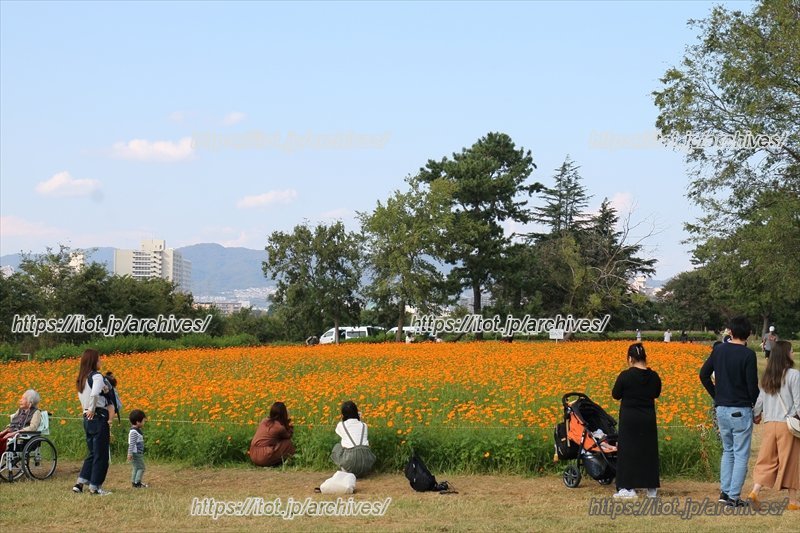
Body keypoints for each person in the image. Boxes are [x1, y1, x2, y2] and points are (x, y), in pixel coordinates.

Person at [699, 316, 759, 507]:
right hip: (740, 409)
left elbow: (704, 374)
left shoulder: (718, 350)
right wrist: (756, 406)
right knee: (741, 453)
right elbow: (752, 387)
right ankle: (734, 496)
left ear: (730, 332)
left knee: (728, 451)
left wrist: (716, 395)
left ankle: (724, 492)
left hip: (722, 409)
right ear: (748, 333)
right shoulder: (748, 355)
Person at [747, 341, 800, 511]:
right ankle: (793, 501)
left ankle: (755, 491)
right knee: (791, 461)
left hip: (769, 424)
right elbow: (799, 402)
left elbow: (760, 400)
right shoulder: (794, 375)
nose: (793, 353)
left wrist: (756, 415)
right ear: (786, 354)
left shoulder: (767, 375)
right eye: (791, 351)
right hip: (788, 425)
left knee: (766, 460)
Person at [611, 343, 662, 499]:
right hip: (647, 418)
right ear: (645, 358)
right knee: (649, 451)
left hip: (629, 418)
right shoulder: (654, 376)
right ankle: (651, 488)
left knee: (627, 452)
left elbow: (616, 394)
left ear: (630, 358)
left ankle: (627, 487)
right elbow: (656, 393)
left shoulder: (625, 376)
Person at [72, 348, 113, 495]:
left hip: (86, 419)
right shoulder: (96, 376)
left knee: (92, 452)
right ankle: (95, 487)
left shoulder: (82, 378)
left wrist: (88, 409)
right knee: (101, 454)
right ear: (93, 361)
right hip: (98, 417)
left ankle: (80, 482)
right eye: (99, 359)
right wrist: (92, 408)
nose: (100, 361)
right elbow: (95, 393)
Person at [330, 400, 375, 478]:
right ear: (356, 412)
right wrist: (359, 418)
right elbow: (357, 428)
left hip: (350, 462)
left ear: (343, 414)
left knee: (338, 447)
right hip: (366, 464)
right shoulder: (364, 425)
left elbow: (339, 431)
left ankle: (346, 470)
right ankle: (361, 471)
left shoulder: (341, 425)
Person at [249, 402, 296, 467]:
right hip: (263, 457)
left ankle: (273, 461)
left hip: (253, 454)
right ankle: (287, 461)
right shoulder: (279, 427)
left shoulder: (264, 421)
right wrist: (290, 424)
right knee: (287, 443)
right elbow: (288, 435)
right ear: (283, 414)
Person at [0, 389, 42, 456]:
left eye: (23, 398)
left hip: (22, 437)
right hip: (12, 433)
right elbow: (13, 424)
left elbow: (33, 427)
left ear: (30, 401)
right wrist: (4, 432)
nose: (20, 400)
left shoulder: (36, 412)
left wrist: (15, 433)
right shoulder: (20, 410)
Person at [127, 409, 148, 488]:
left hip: (136, 453)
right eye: (143, 421)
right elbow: (131, 444)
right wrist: (129, 453)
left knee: (136, 467)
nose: (144, 423)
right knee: (141, 467)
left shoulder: (136, 431)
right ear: (137, 422)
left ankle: (134, 482)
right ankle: (137, 482)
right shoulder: (134, 432)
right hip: (136, 453)